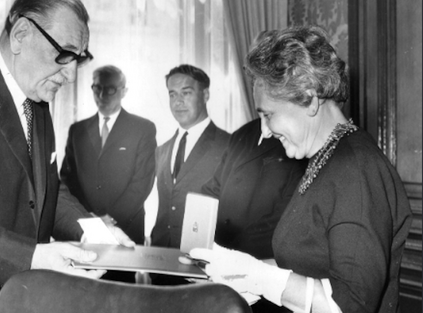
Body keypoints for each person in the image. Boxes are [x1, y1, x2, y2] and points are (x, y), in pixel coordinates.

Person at [0, 1, 132, 312]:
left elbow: (47, 190)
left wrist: (97, 232)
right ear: (21, 33)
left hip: (20, 299)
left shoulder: (37, 99)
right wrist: (31, 256)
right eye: (64, 54)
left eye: (79, 58)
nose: (72, 75)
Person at [190, 26, 412, 313]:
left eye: (268, 115)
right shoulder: (327, 158)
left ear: (308, 97)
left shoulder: (356, 167)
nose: (266, 132)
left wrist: (257, 277)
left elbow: (351, 305)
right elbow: (306, 267)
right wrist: (238, 273)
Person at [60, 65, 156, 283]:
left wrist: (108, 220)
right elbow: (67, 181)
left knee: (121, 296)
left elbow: (142, 183)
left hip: (125, 230)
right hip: (85, 230)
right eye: (97, 88)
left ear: (124, 91)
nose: (102, 95)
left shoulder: (143, 128)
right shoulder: (78, 130)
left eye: (110, 89)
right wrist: (90, 220)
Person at [201, 118, 307, 312]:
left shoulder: (297, 137)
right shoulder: (242, 134)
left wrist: (231, 261)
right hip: (222, 276)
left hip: (266, 283)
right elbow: (212, 190)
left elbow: (285, 223)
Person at [150, 64, 230, 284]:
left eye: (186, 93)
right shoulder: (162, 150)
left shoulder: (229, 146)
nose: (178, 101)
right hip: (161, 268)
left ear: (205, 94)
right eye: (172, 94)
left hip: (204, 272)